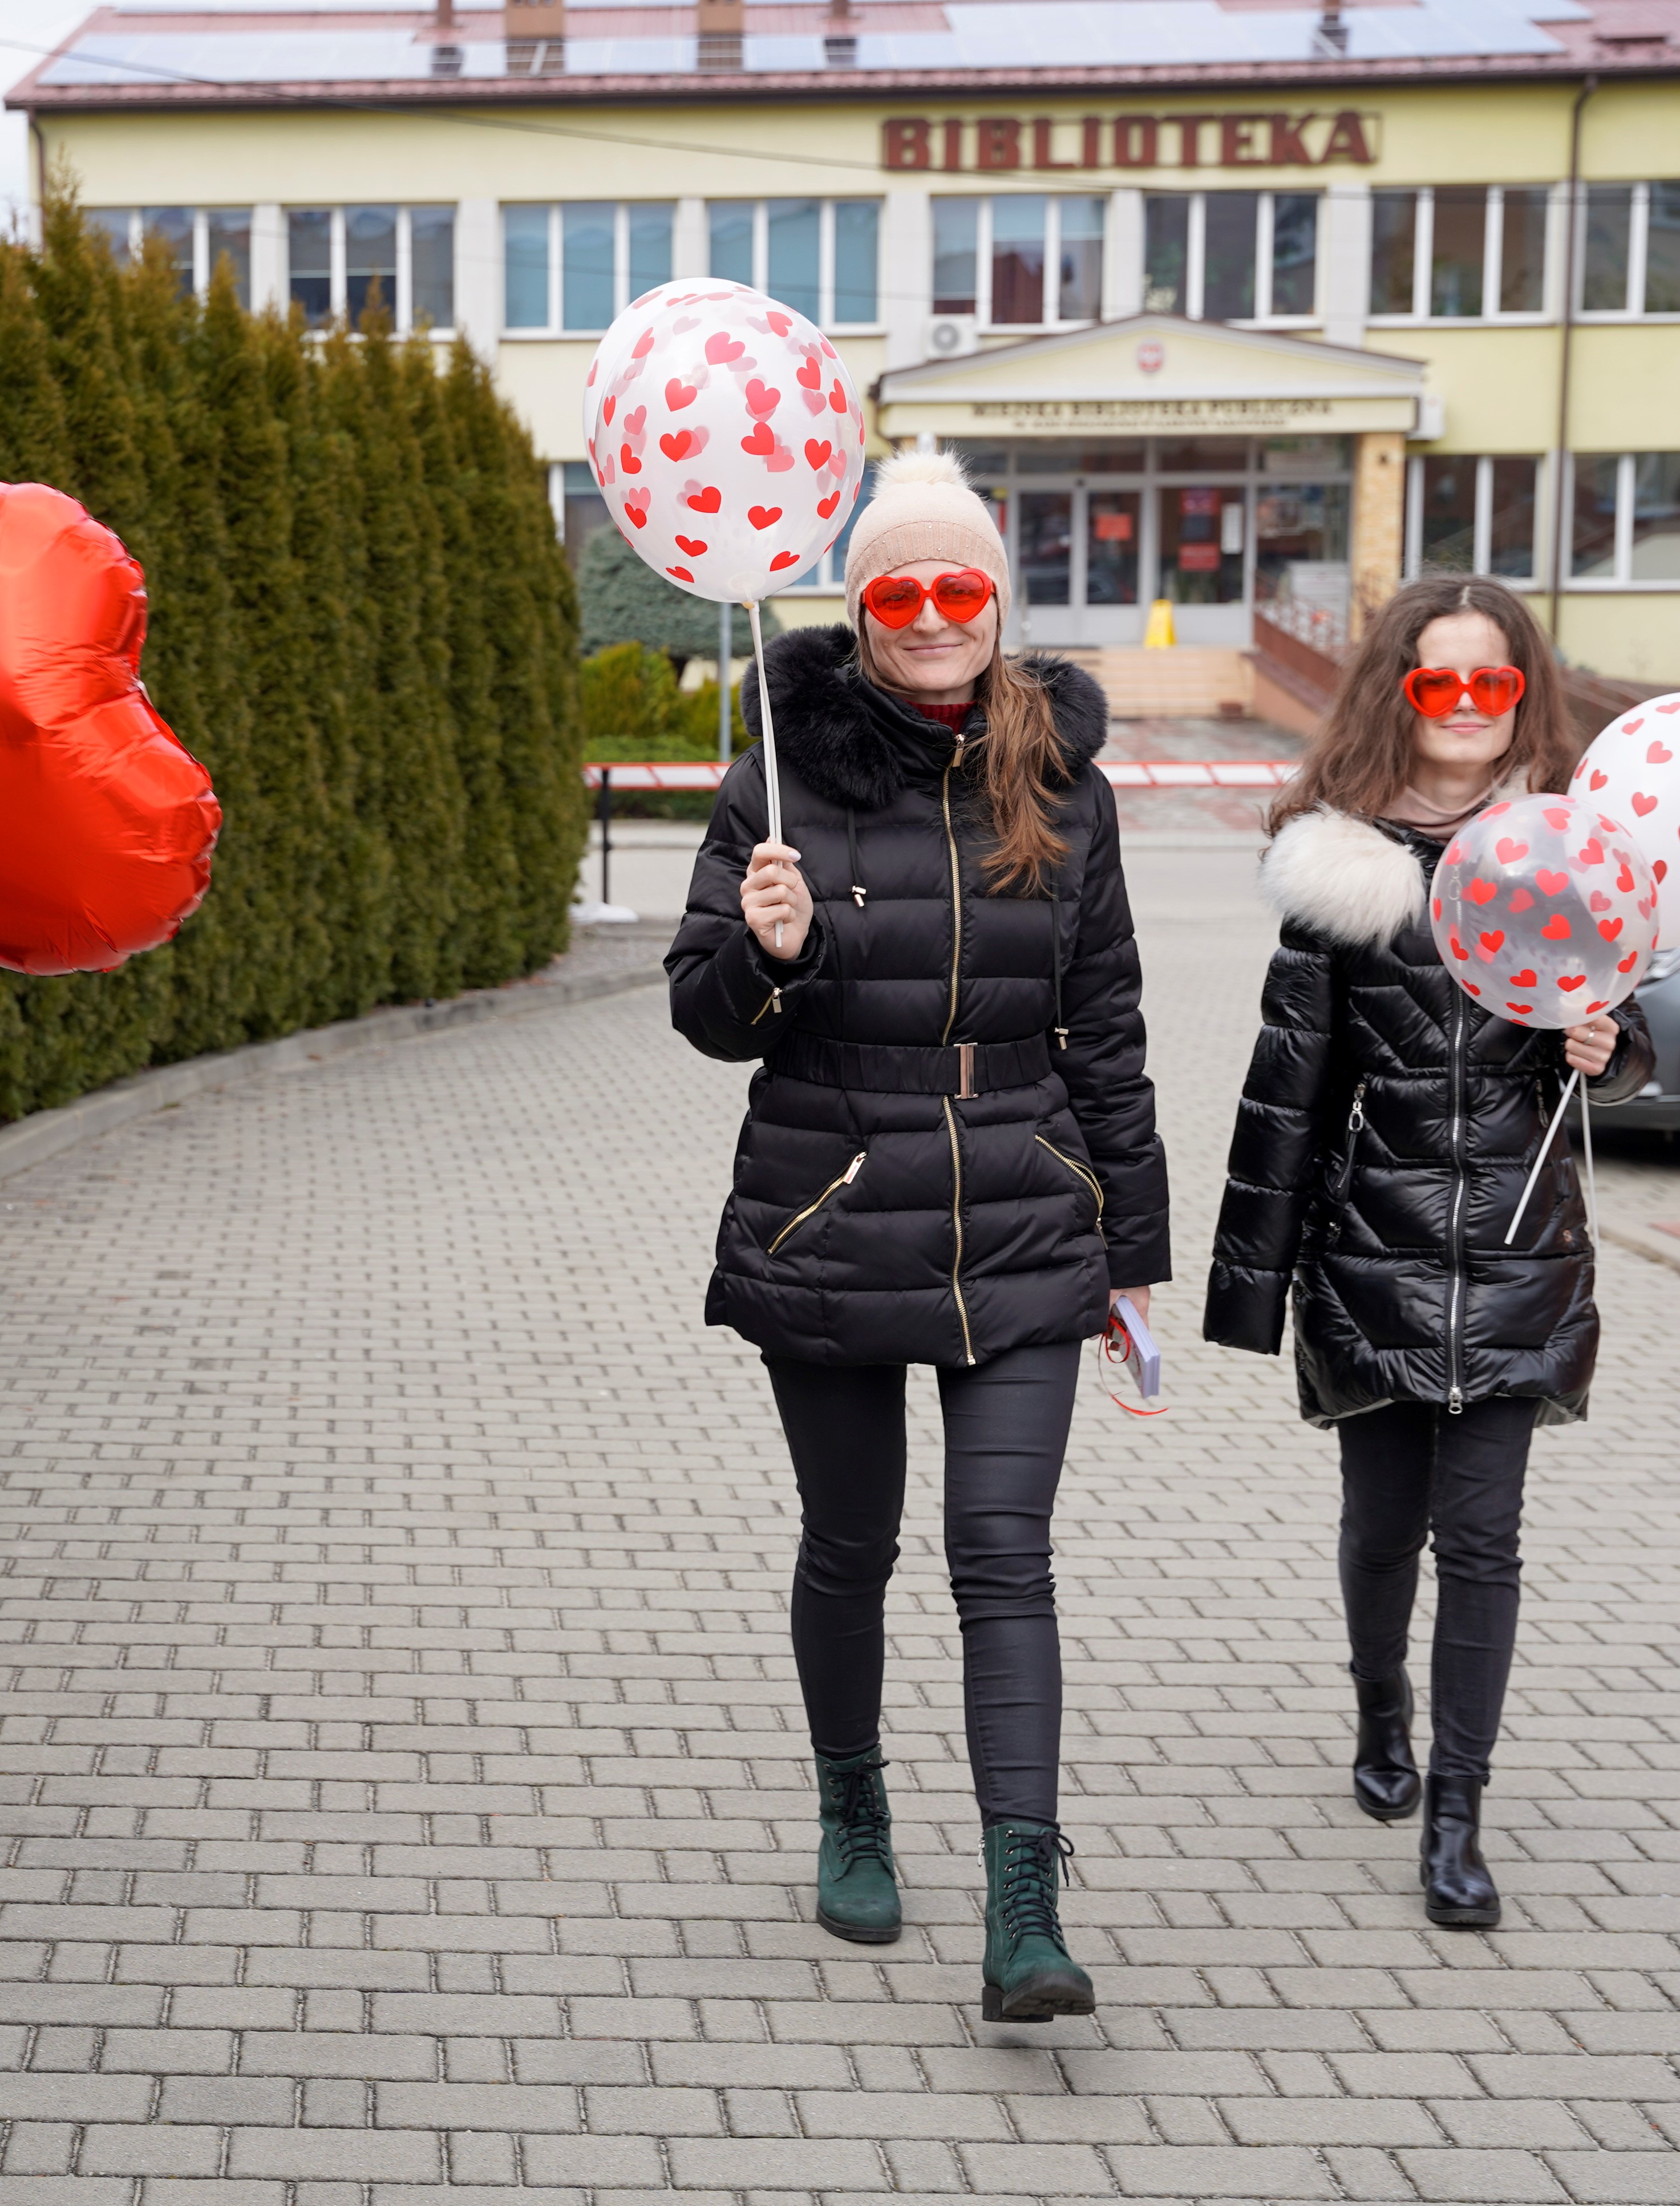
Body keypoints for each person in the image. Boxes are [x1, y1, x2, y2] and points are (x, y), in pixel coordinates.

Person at [668, 451, 1168, 2023]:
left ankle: (1023, 1900)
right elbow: (704, 1016)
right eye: (902, 591)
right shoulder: (778, 776)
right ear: (860, 609)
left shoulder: (1063, 786)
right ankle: (854, 1808)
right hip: (832, 1201)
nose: (936, 615)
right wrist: (768, 954)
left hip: (1027, 1204)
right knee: (851, 1544)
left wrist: (1131, 1251)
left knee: (1000, 1555)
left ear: (998, 604)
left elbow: (1109, 1023)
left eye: (963, 588)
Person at [1204, 574, 1652, 1930]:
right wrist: (1249, 1288)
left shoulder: (1570, 850)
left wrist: (1610, 1046)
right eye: (1439, 682)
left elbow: (1624, 1040)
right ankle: (1379, 1704)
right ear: (1399, 691)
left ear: (1525, 692)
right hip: (1374, 1253)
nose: (1466, 708)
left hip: (1520, 1249)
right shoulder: (1342, 870)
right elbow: (1286, 1091)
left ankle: (1458, 1814)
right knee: (1383, 1525)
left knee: (1488, 1539)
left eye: (1493, 684)